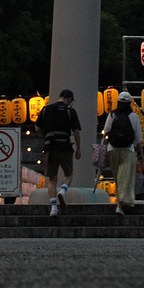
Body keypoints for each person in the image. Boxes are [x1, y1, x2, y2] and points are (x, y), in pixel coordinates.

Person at [36, 89, 82, 219]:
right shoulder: (70, 111)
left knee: (52, 178)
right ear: (69, 98)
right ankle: (63, 191)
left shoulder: (46, 109)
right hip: (65, 145)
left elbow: (37, 128)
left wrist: (46, 136)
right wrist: (79, 149)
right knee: (68, 174)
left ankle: (54, 208)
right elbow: (76, 131)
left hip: (50, 146)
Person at [103, 90, 144, 215]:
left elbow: (106, 131)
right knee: (125, 178)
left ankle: (121, 202)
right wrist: (141, 153)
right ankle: (121, 205)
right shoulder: (133, 116)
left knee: (117, 177)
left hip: (112, 150)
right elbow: (138, 138)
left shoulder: (111, 115)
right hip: (128, 150)